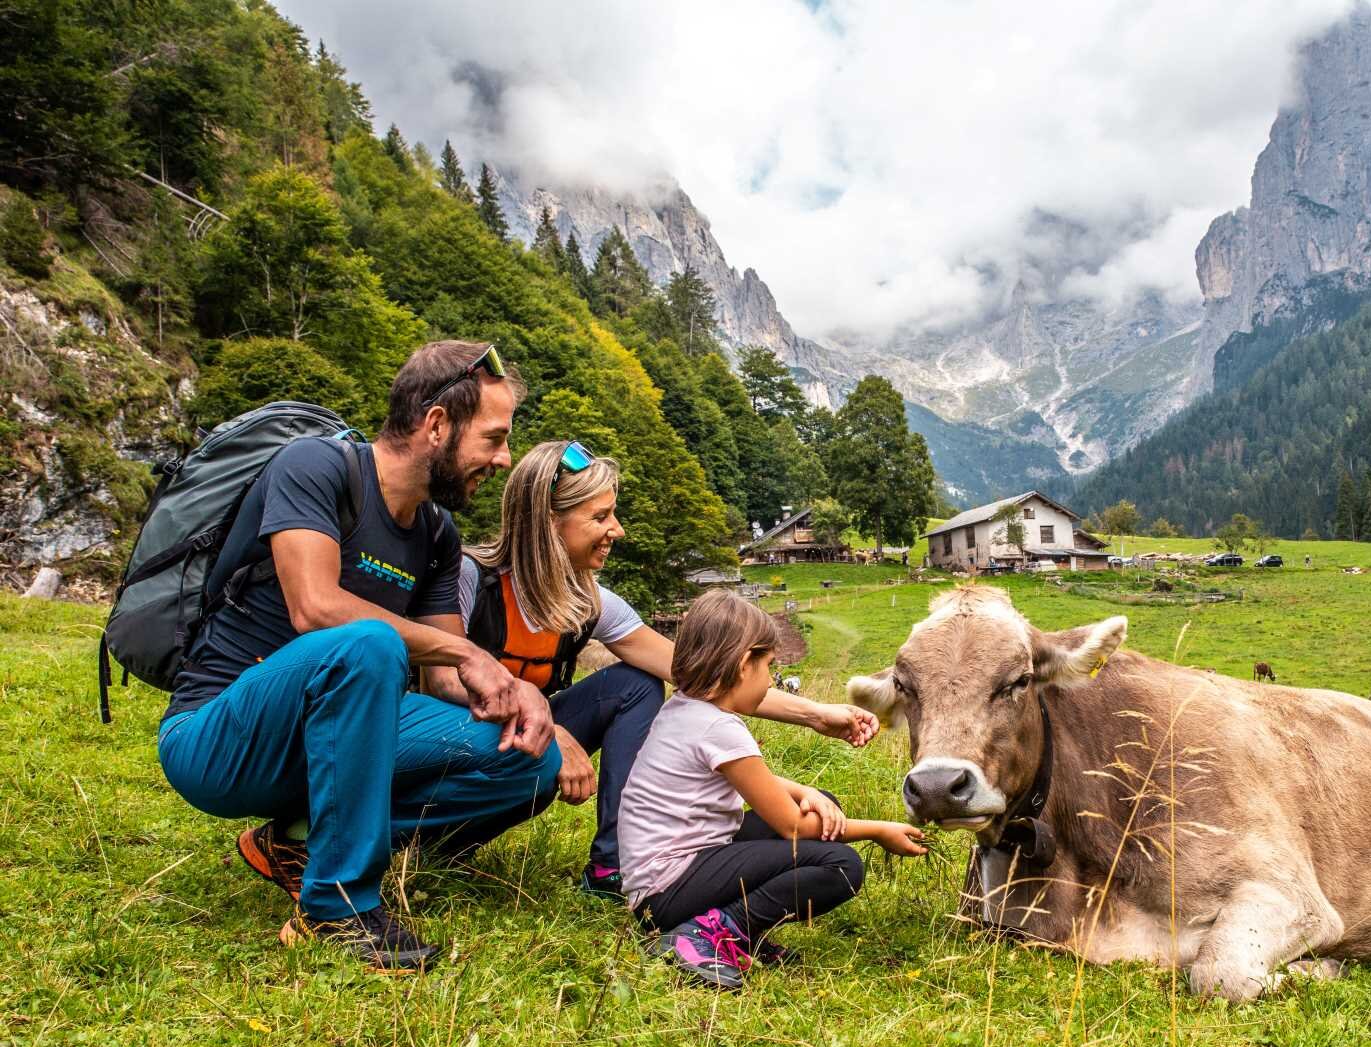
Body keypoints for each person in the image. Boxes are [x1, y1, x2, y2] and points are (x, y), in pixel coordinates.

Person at [157, 341, 560, 972]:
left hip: (342, 734)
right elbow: (315, 607)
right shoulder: (316, 466)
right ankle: (337, 907)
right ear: (436, 425)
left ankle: (298, 841)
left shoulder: (434, 534)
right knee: (366, 642)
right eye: (494, 438)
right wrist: (462, 649)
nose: (503, 459)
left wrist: (518, 694)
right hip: (219, 739)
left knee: (528, 760)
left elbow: (445, 678)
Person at [437, 440, 879, 899]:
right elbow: (443, 682)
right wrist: (547, 726)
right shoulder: (472, 580)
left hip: (527, 734)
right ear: (549, 523)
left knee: (635, 682)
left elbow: (705, 675)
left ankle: (615, 864)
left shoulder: (590, 601)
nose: (618, 530)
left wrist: (816, 714)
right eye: (600, 516)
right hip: (460, 743)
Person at [618, 590, 926, 991]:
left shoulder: (685, 709)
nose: (770, 681)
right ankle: (711, 935)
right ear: (745, 664)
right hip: (669, 889)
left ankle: (735, 932)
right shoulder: (719, 728)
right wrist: (879, 830)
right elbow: (795, 829)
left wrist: (804, 789)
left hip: (665, 880)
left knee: (823, 806)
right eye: (768, 666)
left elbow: (732, 779)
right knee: (840, 865)